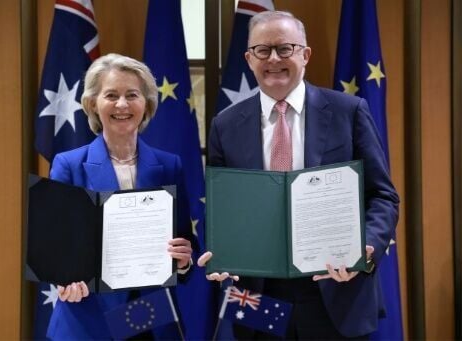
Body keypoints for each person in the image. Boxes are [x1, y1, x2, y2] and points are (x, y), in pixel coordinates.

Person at [199, 10, 399, 339]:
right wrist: (221, 249)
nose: (273, 59)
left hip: (336, 291)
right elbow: (223, 206)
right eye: (263, 50)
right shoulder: (225, 124)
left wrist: (366, 246)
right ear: (249, 59)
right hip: (257, 296)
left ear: (305, 55)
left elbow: (383, 195)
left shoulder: (349, 111)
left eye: (285, 48)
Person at [46, 53, 193, 340]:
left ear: (147, 104)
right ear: (92, 104)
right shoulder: (68, 165)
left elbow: (185, 239)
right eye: (111, 95)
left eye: (132, 95)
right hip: (87, 320)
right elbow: (54, 246)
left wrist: (184, 259)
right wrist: (65, 279)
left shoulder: (170, 165)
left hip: (152, 320)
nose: (122, 105)